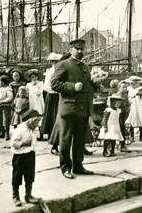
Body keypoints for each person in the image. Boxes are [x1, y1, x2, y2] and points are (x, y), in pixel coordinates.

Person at [51, 39, 101, 179]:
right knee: (65, 141)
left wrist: (96, 85)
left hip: (83, 110)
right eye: (77, 49)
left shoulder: (85, 66)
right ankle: (66, 168)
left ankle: (78, 166)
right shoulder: (64, 64)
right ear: (71, 49)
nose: (80, 51)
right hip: (69, 109)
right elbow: (54, 84)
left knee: (79, 140)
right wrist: (72, 86)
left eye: (82, 49)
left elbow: (87, 87)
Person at [10, 108, 42, 207]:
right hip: (20, 157)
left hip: (30, 155)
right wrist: (24, 143)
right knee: (17, 176)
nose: (37, 124)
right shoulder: (19, 130)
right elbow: (13, 143)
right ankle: (15, 196)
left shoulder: (32, 130)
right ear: (30, 120)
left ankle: (28, 195)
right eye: (36, 122)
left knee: (30, 176)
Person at [41, 52, 61, 148]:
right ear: (52, 62)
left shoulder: (61, 71)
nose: (56, 63)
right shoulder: (50, 72)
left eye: (58, 61)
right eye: (54, 62)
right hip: (52, 96)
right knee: (51, 117)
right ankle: (51, 139)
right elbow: (46, 87)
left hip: (60, 96)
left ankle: (58, 139)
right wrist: (56, 91)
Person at [126, 76, 142, 142]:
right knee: (131, 119)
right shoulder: (129, 89)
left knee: (140, 119)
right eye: (131, 83)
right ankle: (132, 136)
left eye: (134, 83)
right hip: (132, 104)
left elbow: (141, 93)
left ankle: (141, 136)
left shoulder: (140, 88)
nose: (132, 85)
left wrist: (136, 93)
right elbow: (127, 94)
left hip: (139, 105)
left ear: (137, 83)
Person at [25, 69, 45, 140]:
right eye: (32, 77)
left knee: (39, 117)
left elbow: (39, 92)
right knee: (32, 117)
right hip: (32, 102)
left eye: (35, 77)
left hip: (38, 102)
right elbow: (26, 93)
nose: (34, 79)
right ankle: (31, 135)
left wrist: (35, 86)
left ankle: (41, 135)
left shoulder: (40, 83)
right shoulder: (28, 85)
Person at [0, 75, 14, 140]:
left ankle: (7, 133)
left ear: (3, 82)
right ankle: (2, 132)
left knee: (6, 120)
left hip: (5, 107)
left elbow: (10, 98)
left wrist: (2, 101)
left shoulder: (8, 90)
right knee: (0, 119)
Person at [116, 80, 131, 152]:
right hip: (119, 114)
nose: (125, 89)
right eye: (123, 87)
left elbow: (127, 104)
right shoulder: (118, 95)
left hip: (124, 114)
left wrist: (128, 107)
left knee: (122, 129)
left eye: (126, 87)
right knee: (121, 129)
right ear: (119, 87)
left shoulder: (126, 95)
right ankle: (122, 145)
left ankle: (122, 144)